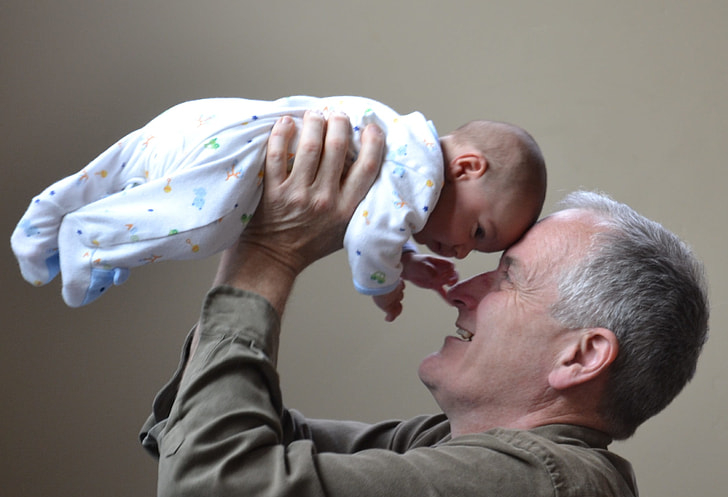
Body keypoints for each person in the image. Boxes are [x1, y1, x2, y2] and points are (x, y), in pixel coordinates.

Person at [139, 113, 709, 497]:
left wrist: (268, 252)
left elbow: (211, 489)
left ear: (581, 356)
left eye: (507, 278)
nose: (461, 289)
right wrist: (287, 222)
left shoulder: (538, 495)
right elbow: (207, 430)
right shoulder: (464, 453)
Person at [10, 96, 546, 318]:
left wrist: (407, 259)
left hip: (210, 123)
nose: (462, 249)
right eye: (479, 232)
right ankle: (90, 240)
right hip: (236, 157)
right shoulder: (420, 171)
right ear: (467, 167)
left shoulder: (405, 142)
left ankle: (45, 225)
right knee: (207, 227)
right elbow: (366, 241)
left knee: (118, 172)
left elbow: (376, 218)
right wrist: (384, 287)